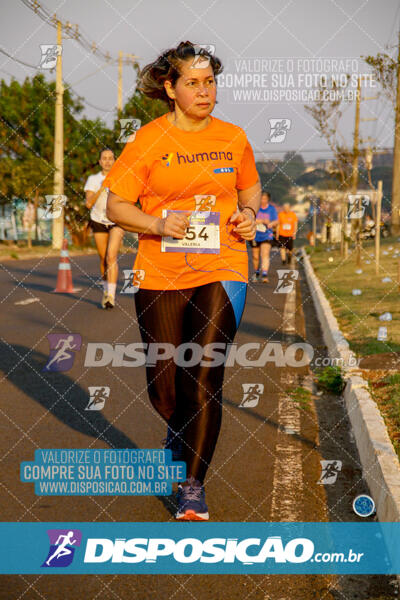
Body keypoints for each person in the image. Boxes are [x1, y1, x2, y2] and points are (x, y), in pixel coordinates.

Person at [105, 41, 260, 521]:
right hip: (161, 269)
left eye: (209, 81)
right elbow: (115, 207)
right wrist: (155, 225)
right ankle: (178, 430)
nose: (203, 91)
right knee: (166, 388)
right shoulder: (147, 140)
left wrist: (251, 214)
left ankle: (192, 487)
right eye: (192, 82)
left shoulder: (233, 137)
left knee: (205, 378)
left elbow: (249, 186)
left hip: (223, 263)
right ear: (170, 88)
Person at [84, 149, 125, 309]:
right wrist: (102, 187)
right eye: (104, 158)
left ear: (115, 161)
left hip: (116, 220)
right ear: (100, 162)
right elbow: (88, 203)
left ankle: (111, 296)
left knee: (111, 256)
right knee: (103, 259)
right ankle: (105, 289)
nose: (107, 161)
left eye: (110, 158)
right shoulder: (93, 179)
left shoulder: (121, 177)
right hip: (98, 220)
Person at [250, 191, 278, 283]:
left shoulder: (271, 209)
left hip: (267, 235)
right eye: (261, 198)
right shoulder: (255, 208)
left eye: (265, 198)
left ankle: (264, 274)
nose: (263, 200)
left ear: (268, 199)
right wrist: (261, 220)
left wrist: (270, 223)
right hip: (255, 234)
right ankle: (257, 273)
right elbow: (251, 218)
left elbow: (276, 221)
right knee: (255, 256)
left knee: (265, 254)